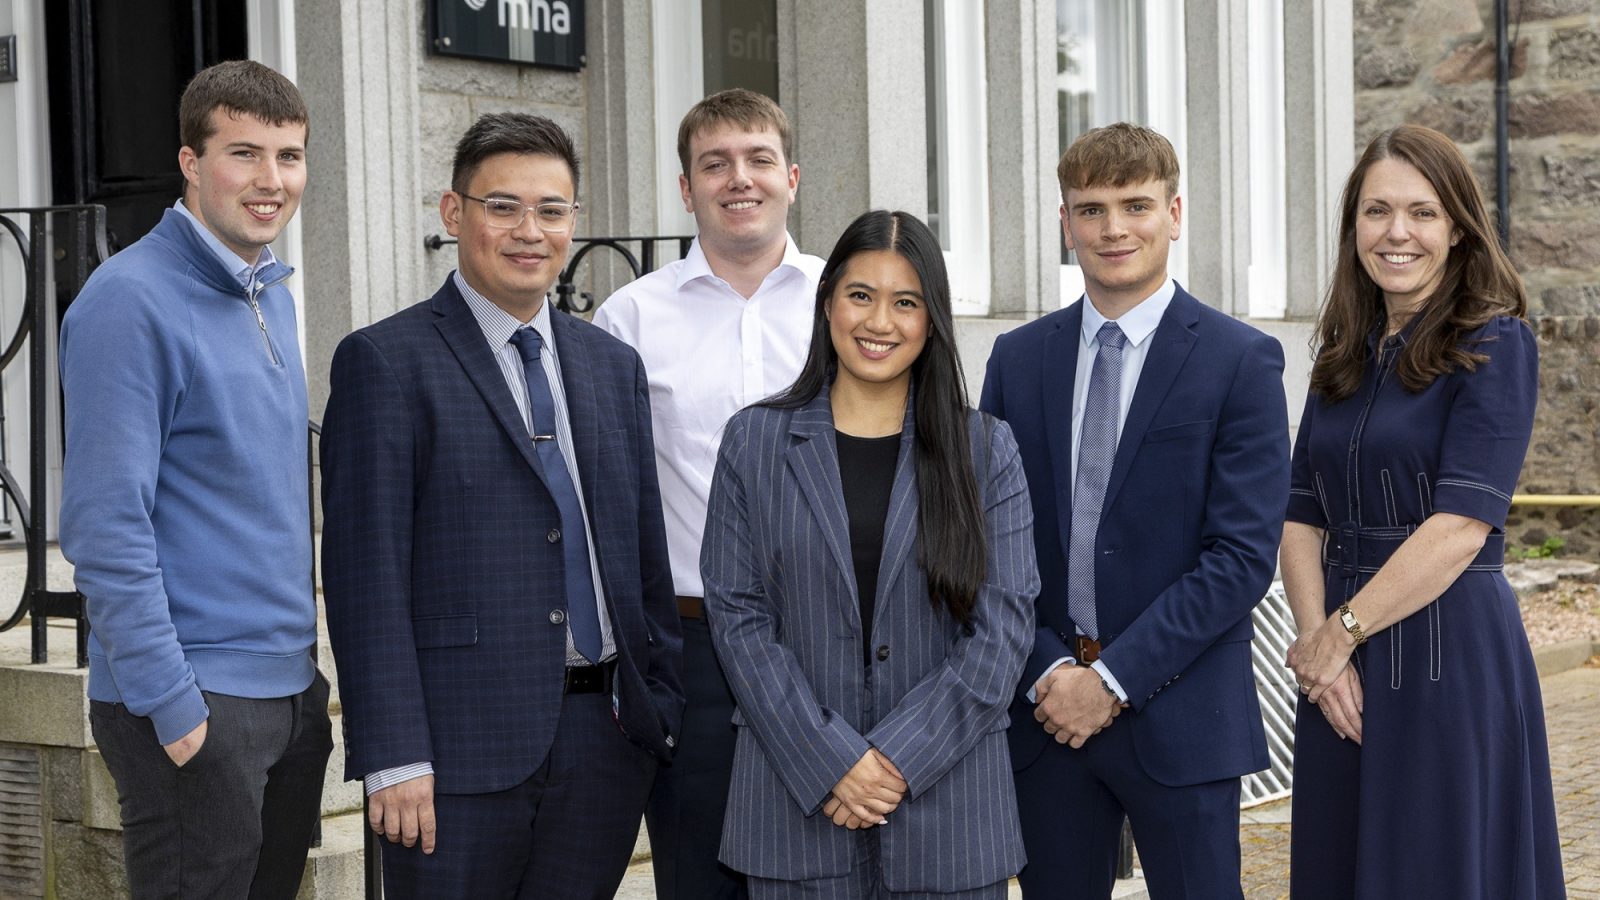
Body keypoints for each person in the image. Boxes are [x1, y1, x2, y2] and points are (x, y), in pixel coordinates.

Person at [318, 112, 683, 899]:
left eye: (551, 210)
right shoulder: (386, 362)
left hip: (605, 744)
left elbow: (641, 555)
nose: (530, 230)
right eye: (502, 206)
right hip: (454, 760)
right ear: (455, 215)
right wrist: (394, 753)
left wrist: (659, 702)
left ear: (574, 222)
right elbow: (363, 580)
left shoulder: (612, 365)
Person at [979, 122, 1289, 898]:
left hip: (1182, 717)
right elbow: (985, 542)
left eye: (1136, 205)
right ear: (1065, 223)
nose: (1113, 228)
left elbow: (1241, 558)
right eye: (1090, 209)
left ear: (1175, 214)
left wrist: (1111, 679)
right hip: (1044, 718)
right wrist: (1050, 668)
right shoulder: (1017, 361)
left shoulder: (1239, 360)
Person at [702, 209, 1038, 900]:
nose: (879, 321)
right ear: (828, 304)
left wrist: (894, 760)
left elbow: (1002, 632)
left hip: (948, 817)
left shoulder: (985, 451)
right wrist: (831, 762)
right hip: (795, 811)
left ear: (932, 319)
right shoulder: (753, 443)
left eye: (905, 302)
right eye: (861, 295)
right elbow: (739, 621)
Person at [59, 60, 332, 899]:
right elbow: (106, 525)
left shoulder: (270, 291)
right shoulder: (128, 301)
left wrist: (308, 689)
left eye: (288, 157)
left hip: (289, 692)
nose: (270, 181)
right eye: (243, 154)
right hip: (196, 697)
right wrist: (173, 707)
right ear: (188, 161)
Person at [1283, 124, 1565, 898]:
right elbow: (1300, 514)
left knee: (1437, 866)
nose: (1396, 232)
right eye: (1376, 212)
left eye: (1422, 212)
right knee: (1342, 866)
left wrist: (1342, 632)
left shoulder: (1496, 343)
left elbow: (1462, 527)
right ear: (1354, 229)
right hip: (1338, 663)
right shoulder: (1344, 349)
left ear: (1458, 230)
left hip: (1448, 653)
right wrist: (1317, 649)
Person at [592, 87, 823, 900]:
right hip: (695, 655)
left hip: (834, 644)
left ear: (792, 176)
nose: (740, 179)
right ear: (686, 189)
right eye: (714, 163)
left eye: (759, 159)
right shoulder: (629, 320)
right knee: (700, 877)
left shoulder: (848, 305)